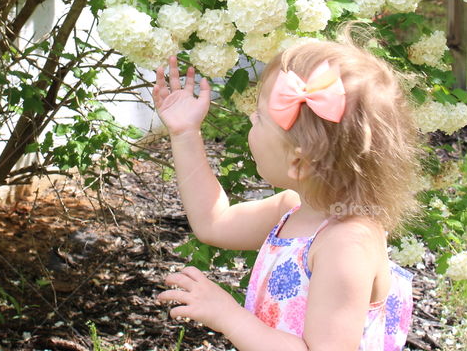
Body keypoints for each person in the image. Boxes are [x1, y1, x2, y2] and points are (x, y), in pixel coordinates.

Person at [151, 22, 423, 351]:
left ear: (298, 162)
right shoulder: (295, 207)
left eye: (258, 118)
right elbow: (214, 222)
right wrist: (185, 133)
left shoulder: (346, 246)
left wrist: (229, 315)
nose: (250, 122)